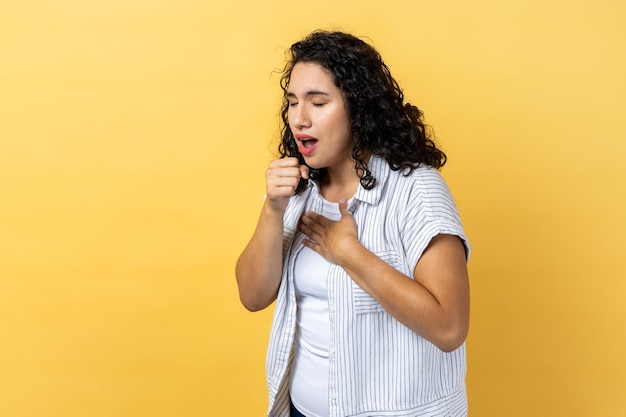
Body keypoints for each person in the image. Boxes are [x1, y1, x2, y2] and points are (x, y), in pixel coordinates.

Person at [235, 30, 470, 417]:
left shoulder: (416, 191)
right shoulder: (297, 188)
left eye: (318, 102)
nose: (300, 118)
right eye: (292, 102)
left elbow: (449, 328)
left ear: (358, 109)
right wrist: (273, 209)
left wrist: (350, 254)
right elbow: (252, 296)